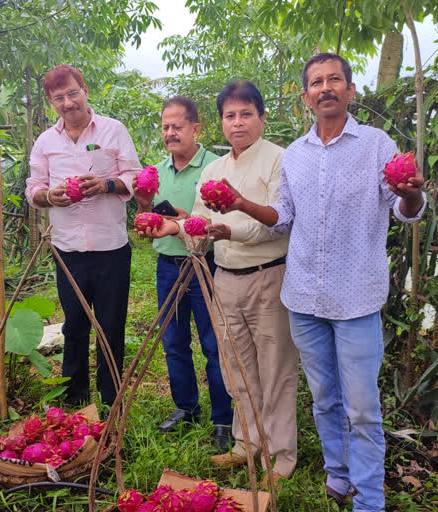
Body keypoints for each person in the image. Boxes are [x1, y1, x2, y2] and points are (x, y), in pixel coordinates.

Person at [217, 54, 426, 511]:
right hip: (305, 297)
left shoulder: (376, 145)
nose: (325, 88)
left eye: (335, 80)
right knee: (324, 399)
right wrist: (240, 202)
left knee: (363, 409)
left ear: (350, 91)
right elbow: (282, 219)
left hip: (356, 299)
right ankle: (338, 472)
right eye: (316, 82)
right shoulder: (296, 155)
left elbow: (404, 209)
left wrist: (412, 194)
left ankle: (369, 499)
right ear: (305, 96)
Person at [137, 81, 299, 490]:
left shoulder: (281, 160)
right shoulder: (214, 171)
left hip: (269, 275)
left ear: (261, 117)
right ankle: (246, 442)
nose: (238, 122)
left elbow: (278, 221)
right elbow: (198, 226)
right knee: (235, 366)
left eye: (246, 114)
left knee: (275, 369)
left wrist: (228, 224)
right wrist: (164, 226)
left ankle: (281, 458)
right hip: (224, 279)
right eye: (231, 115)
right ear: (222, 123)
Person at [25, 64, 142, 407]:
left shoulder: (112, 131)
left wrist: (106, 185)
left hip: (111, 248)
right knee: (74, 326)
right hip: (68, 249)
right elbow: (34, 188)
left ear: (85, 90)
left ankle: (110, 399)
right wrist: (51, 196)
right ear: (51, 101)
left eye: (73, 93)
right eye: (59, 97)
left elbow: (135, 177)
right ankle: (75, 399)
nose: (68, 103)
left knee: (111, 325)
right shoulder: (46, 142)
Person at [132, 96, 232, 451]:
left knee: (214, 344)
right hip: (168, 266)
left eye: (177, 126)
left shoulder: (217, 167)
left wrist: (176, 219)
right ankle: (185, 407)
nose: (170, 133)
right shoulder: (155, 171)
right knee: (174, 343)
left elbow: (218, 220)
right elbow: (148, 213)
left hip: (206, 265)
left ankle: (224, 418)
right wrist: (144, 209)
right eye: (165, 127)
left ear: (195, 128)